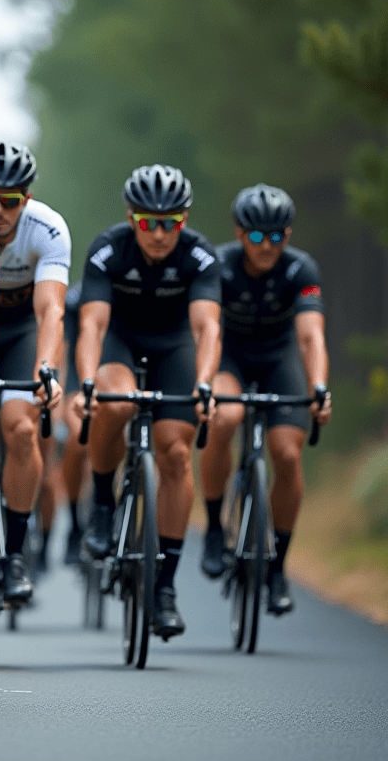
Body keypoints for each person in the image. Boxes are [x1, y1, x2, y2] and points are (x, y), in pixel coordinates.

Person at [77, 164, 221, 638]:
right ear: (130, 217)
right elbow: (93, 325)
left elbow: (206, 328)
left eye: (170, 223)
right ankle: (102, 500)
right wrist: (86, 382)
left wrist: (204, 383)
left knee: (177, 454)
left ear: (183, 221)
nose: (158, 234)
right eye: (147, 222)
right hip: (121, 341)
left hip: (173, 347)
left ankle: (164, 588)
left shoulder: (200, 256)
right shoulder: (108, 248)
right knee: (114, 402)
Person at [199, 184, 331, 614]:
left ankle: (277, 567)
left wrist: (318, 387)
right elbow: (210, 329)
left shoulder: (300, 270)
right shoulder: (219, 264)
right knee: (226, 417)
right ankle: (216, 528)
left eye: (276, 236)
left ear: (287, 236)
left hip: (278, 360)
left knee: (287, 456)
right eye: (257, 236)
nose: (266, 246)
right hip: (230, 358)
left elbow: (310, 337)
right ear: (240, 234)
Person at [0, 142, 67, 603]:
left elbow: (50, 311)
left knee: (21, 428)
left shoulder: (47, 230)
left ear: (26, 199)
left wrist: (46, 368)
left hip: (23, 331)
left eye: (10, 200)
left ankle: (12, 554)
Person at [58, 278, 89, 565]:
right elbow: (64, 351)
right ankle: (76, 519)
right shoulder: (76, 301)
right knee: (79, 439)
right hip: (78, 383)